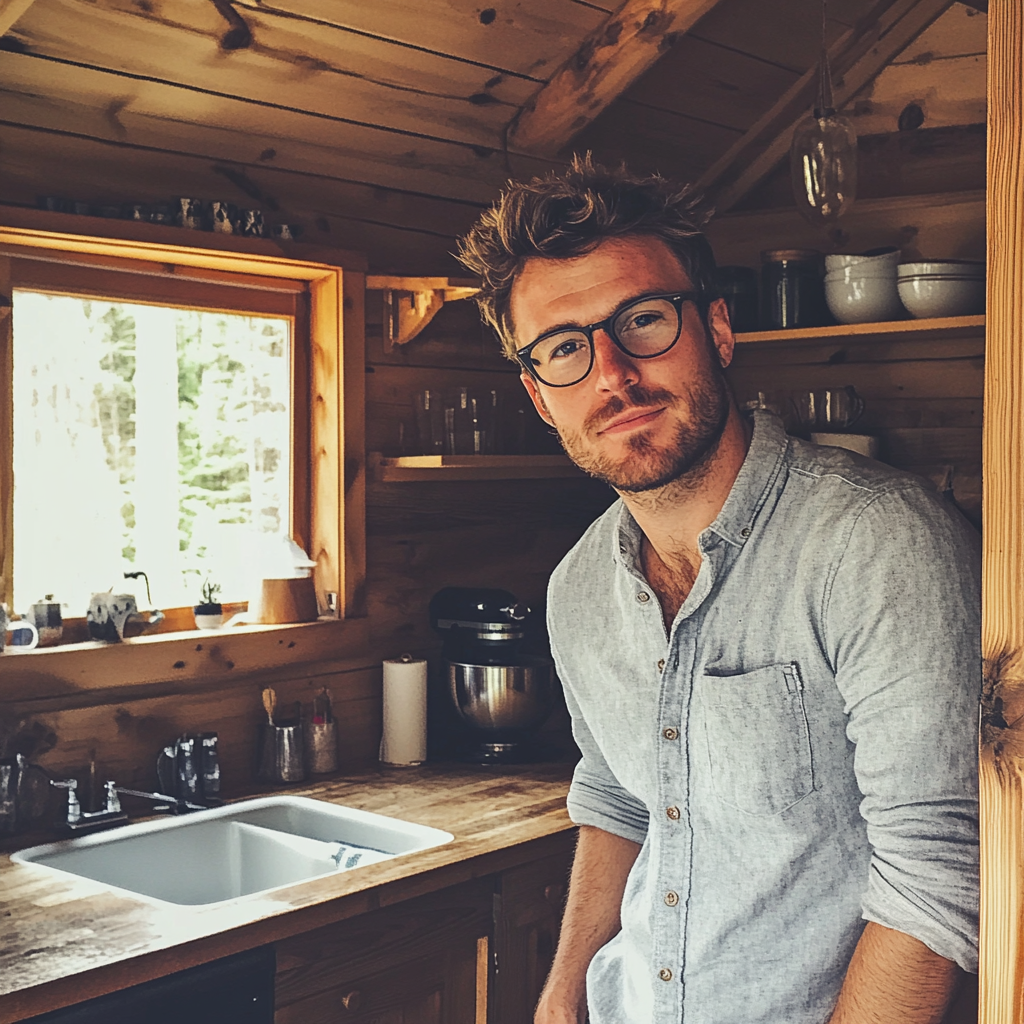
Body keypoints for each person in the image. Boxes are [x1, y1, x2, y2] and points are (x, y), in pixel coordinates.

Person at [457, 157, 980, 1024]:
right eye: (564, 348)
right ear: (540, 398)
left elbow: (938, 872)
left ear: (719, 330)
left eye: (644, 320)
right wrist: (561, 997)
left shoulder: (880, 544)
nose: (613, 373)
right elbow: (619, 792)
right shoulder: (576, 589)